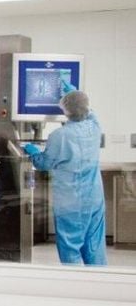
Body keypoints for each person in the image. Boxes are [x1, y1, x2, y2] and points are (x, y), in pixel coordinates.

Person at [23, 82, 106, 265]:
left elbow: (44, 163)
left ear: (65, 110)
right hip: (95, 198)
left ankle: (75, 286)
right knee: (94, 246)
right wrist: (75, 92)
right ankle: (99, 284)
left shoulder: (59, 136)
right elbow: (91, 113)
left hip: (71, 202)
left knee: (71, 247)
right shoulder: (94, 128)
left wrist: (33, 152)